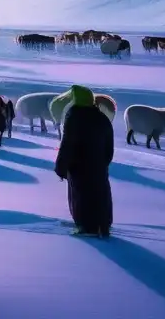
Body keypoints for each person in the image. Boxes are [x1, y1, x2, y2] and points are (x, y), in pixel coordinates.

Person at [54, 85, 113, 237]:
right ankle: (103, 224)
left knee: (81, 195)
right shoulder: (101, 117)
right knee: (101, 194)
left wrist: (61, 166)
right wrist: (103, 163)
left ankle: (86, 227)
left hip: (79, 165)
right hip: (99, 166)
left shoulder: (74, 116)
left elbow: (67, 143)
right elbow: (109, 146)